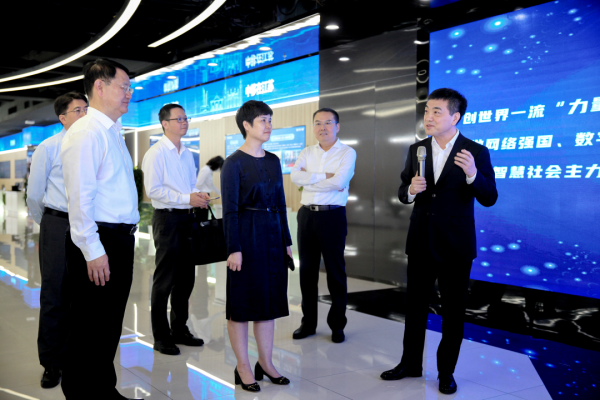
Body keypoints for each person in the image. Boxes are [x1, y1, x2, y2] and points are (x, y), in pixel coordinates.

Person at [380, 88, 498, 395]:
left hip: (456, 245)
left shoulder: (475, 152)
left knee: (453, 312)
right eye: (427, 111)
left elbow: (490, 197)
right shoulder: (417, 149)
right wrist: (410, 190)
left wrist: (473, 174)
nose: (428, 117)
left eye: (437, 111)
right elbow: (403, 191)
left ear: (455, 117)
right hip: (421, 240)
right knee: (415, 308)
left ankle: (446, 372)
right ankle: (410, 364)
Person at [60, 59, 141, 400]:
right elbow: (80, 199)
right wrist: (93, 251)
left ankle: (102, 388)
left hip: (117, 239)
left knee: (108, 323)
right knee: (89, 324)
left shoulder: (110, 131)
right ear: (99, 86)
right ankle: (81, 392)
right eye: (124, 86)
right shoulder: (86, 132)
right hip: (99, 240)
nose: (129, 93)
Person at [221, 100, 292, 392]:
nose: (269, 125)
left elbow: (281, 203)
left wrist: (287, 241)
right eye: (263, 120)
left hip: (273, 237)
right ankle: (243, 366)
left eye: (270, 120)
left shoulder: (274, 160)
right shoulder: (233, 163)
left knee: (267, 303)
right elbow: (230, 210)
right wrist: (233, 248)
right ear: (246, 125)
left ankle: (266, 363)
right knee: (241, 305)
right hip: (246, 237)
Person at [27, 92, 88, 388]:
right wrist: (50, 224)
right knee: (55, 294)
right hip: (57, 223)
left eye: (86, 109)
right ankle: (51, 362)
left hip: (87, 225)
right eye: (78, 110)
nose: (84, 114)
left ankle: (75, 357)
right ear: (62, 118)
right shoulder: (49, 147)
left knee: (82, 294)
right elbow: (34, 195)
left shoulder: (92, 146)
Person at [141, 104, 210, 355]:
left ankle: (179, 329)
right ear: (164, 123)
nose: (184, 122)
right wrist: (186, 198)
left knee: (186, 279)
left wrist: (198, 195)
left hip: (187, 219)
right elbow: (154, 190)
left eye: (185, 118)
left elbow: (189, 185)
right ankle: (161, 337)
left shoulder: (187, 153)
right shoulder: (156, 153)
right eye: (178, 119)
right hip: (167, 220)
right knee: (165, 280)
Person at [290, 107, 356, 343]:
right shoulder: (306, 152)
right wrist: (324, 176)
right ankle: (308, 323)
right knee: (307, 273)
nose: (323, 127)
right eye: (318, 123)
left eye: (328, 123)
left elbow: (340, 181)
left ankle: (337, 325)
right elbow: (295, 177)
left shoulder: (347, 153)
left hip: (332, 216)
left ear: (337, 126)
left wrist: (310, 179)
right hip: (306, 216)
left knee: (335, 272)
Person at [195, 155, 224, 220]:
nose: (219, 169)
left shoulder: (209, 171)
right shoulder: (206, 170)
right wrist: (200, 195)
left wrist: (220, 193)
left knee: (204, 216)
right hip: (202, 195)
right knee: (202, 217)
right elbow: (198, 184)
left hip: (205, 195)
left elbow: (211, 185)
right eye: (219, 167)